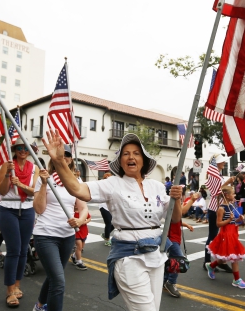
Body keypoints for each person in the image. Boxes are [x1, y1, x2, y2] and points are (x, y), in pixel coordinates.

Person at [43, 131, 183, 311]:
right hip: (129, 258)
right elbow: (78, 189)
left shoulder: (156, 186)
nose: (131, 157)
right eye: (126, 153)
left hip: (156, 257)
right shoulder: (113, 183)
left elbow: (176, 218)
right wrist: (59, 161)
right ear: (121, 162)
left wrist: (177, 199)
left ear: (144, 160)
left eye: (136, 153)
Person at [33, 144, 90, 311]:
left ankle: (39, 305)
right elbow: (38, 209)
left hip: (67, 236)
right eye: (60, 155)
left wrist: (79, 221)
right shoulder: (44, 178)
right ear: (53, 157)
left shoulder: (77, 181)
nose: (63, 158)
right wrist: (43, 184)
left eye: (67, 155)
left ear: (71, 159)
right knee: (58, 281)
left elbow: (83, 208)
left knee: (53, 277)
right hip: (45, 234)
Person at [0, 139, 38, 308]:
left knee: (23, 251)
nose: (23, 150)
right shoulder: (6, 165)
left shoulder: (35, 167)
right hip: (8, 209)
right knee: (13, 250)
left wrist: (20, 184)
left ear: (30, 151)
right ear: (14, 150)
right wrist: (8, 174)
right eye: (19, 148)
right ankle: (9, 291)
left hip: (27, 210)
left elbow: (34, 191)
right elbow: (1, 191)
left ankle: (18, 284)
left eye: (26, 148)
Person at [205, 186, 245, 289]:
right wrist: (229, 220)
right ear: (227, 195)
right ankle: (237, 280)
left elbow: (235, 222)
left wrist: (240, 219)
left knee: (225, 258)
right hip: (225, 235)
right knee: (234, 258)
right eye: (233, 194)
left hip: (233, 234)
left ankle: (211, 266)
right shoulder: (221, 208)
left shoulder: (232, 206)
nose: (235, 195)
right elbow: (218, 224)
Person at [204, 154, 235, 274]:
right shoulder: (214, 176)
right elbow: (217, 192)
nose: (224, 163)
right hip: (215, 208)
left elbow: (223, 191)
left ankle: (221, 261)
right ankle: (207, 261)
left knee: (222, 237)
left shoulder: (218, 175)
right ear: (217, 164)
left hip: (222, 207)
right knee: (212, 236)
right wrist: (228, 182)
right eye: (222, 162)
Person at [163, 194, 196, 298]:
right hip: (171, 239)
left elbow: (178, 220)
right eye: (179, 199)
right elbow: (182, 212)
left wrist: (187, 225)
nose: (181, 201)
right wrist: (192, 200)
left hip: (174, 239)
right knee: (178, 261)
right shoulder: (171, 207)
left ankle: (164, 280)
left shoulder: (174, 209)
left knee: (172, 260)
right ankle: (170, 282)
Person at [71, 205, 92, 271]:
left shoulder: (83, 211)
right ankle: (79, 262)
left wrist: (84, 222)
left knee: (81, 247)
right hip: (76, 231)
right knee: (79, 247)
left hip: (83, 231)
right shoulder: (71, 212)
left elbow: (89, 218)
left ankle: (74, 256)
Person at [99, 172, 114, 247]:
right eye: (106, 177)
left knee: (114, 223)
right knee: (108, 223)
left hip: (111, 206)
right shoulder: (102, 184)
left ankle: (105, 234)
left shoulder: (113, 185)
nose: (108, 178)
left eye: (110, 177)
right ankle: (107, 239)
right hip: (103, 206)